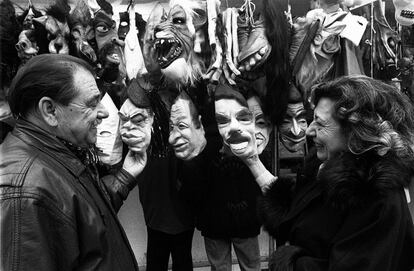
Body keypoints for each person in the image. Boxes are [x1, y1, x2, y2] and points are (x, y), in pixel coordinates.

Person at [236, 75, 414, 270]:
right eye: (312, 120)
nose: (309, 131)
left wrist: (291, 263)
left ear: (355, 132)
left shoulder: (379, 198)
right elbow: (292, 215)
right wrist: (252, 160)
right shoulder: (324, 165)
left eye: (320, 124)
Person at [0, 54, 147, 271]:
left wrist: (124, 177)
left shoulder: (56, 151)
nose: (104, 112)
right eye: (92, 103)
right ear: (50, 110)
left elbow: (79, 220)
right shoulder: (25, 192)